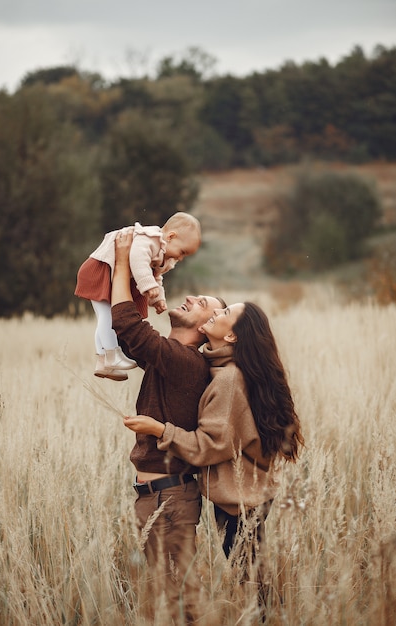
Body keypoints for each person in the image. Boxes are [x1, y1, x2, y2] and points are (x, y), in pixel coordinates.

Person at [123, 300, 304, 591]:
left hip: (241, 504)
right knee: (253, 581)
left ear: (232, 336)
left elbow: (210, 445)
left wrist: (157, 428)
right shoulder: (221, 368)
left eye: (224, 313)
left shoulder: (229, 379)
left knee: (254, 588)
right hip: (243, 498)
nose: (216, 313)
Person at [110, 229, 226, 623]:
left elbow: (130, 328)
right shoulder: (172, 357)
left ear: (208, 325)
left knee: (183, 601)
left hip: (171, 499)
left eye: (203, 304)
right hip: (154, 495)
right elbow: (131, 341)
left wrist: (124, 261)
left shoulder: (185, 362)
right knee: (166, 598)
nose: (191, 297)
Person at [75, 211, 201, 381]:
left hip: (113, 274)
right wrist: (147, 285)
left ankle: (103, 362)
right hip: (102, 269)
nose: (181, 257)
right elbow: (137, 259)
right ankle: (112, 354)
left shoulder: (165, 255)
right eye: (183, 252)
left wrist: (158, 298)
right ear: (170, 237)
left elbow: (156, 277)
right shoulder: (150, 239)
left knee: (104, 317)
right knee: (107, 317)